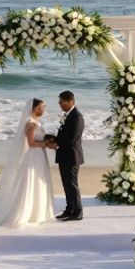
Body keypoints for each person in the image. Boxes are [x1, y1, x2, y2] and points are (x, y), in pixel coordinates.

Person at [0, 99, 56, 229]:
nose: (43, 109)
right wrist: (46, 144)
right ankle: (29, 213)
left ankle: (38, 212)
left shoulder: (36, 123)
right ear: (34, 108)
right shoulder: (31, 124)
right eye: (41, 107)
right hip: (34, 156)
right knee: (32, 181)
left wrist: (48, 139)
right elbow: (31, 143)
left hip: (39, 156)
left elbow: (37, 139)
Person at [47, 90, 85, 221]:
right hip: (65, 155)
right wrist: (53, 138)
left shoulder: (77, 117)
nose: (60, 104)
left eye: (62, 102)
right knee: (66, 184)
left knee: (72, 184)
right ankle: (70, 209)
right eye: (59, 102)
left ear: (70, 102)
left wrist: (56, 144)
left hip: (72, 156)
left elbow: (72, 139)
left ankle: (78, 211)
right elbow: (65, 135)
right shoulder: (68, 115)